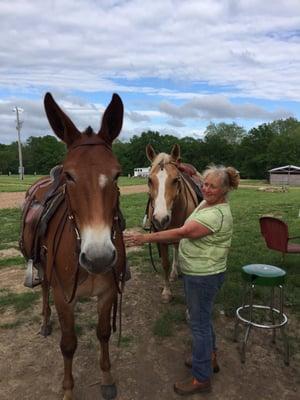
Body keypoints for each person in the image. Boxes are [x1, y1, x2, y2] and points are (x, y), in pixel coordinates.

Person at [124, 165, 239, 396]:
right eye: (204, 184)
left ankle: (201, 377)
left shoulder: (214, 215)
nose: (205, 189)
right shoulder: (209, 202)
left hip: (202, 276)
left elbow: (180, 233)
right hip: (204, 273)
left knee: (198, 326)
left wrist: (144, 237)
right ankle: (210, 357)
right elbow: (196, 179)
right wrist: (191, 170)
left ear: (224, 190)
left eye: (212, 186)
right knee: (203, 320)